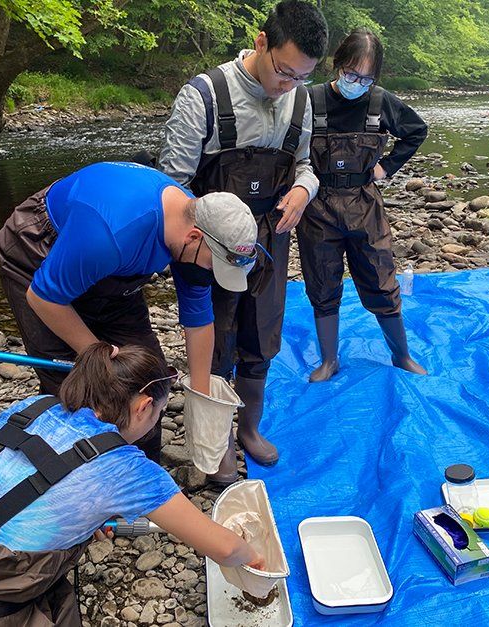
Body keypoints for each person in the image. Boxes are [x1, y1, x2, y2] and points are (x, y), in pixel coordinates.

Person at [0, 342, 268, 626]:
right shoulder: (125, 470)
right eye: (157, 414)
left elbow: (22, 490)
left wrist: (80, 522)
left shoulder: (31, 407)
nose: (154, 424)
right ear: (142, 406)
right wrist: (254, 559)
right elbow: (222, 548)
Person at [157, 0, 329, 483]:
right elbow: (169, 187)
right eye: (284, 73)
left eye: (302, 77)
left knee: (262, 335)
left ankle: (249, 429)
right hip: (207, 243)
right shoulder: (205, 96)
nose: (288, 86)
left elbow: (305, 165)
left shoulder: (300, 98)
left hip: (269, 238)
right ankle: (214, 447)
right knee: (213, 342)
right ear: (261, 43)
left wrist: (303, 188)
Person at [0, 161, 259, 466]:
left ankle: (139, 476)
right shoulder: (113, 233)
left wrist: (201, 396)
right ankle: (68, 478)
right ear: (194, 237)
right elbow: (43, 298)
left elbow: (198, 320)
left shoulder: (197, 229)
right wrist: (97, 352)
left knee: (150, 377)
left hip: (113, 269)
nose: (211, 274)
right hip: (40, 251)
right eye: (214, 267)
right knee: (75, 380)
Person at [295, 27, 431, 382]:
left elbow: (417, 130)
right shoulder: (308, 100)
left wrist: (387, 167)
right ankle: (329, 360)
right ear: (337, 65)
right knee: (322, 285)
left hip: (365, 207)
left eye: (367, 78)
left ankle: (401, 355)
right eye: (351, 74)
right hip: (317, 207)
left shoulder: (380, 101)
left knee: (382, 281)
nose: (358, 82)